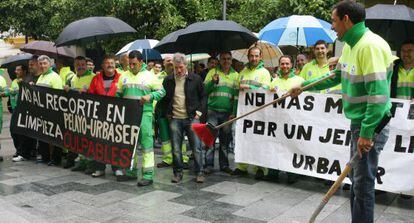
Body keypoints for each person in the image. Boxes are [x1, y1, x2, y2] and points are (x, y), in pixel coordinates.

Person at [289, 1, 395, 222]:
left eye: (334, 20)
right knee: (357, 182)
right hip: (361, 125)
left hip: (371, 126)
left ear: (346, 19)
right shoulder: (350, 45)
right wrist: (304, 87)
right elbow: (335, 76)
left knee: (363, 185)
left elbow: (377, 96)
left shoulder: (369, 46)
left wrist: (366, 133)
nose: (332, 26)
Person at [117, 50, 166, 186]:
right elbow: (118, 95)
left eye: (134, 64)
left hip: (145, 114)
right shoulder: (123, 76)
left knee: (146, 146)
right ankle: (131, 171)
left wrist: (150, 96)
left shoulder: (150, 76)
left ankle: (148, 175)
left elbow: (162, 91)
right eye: (129, 64)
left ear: (141, 62)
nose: (131, 67)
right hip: (128, 115)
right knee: (130, 144)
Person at [161, 53, 206, 183]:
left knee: (196, 146)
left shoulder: (195, 79)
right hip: (175, 117)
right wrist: (167, 113)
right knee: (176, 148)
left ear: (186, 65)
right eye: (176, 68)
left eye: (181, 67)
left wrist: (199, 113)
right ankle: (178, 173)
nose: (178, 70)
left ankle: (199, 172)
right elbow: (164, 98)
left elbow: (203, 96)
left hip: (192, 117)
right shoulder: (168, 80)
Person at [232, 46, 271, 180]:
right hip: (243, 112)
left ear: (260, 57)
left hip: (258, 113)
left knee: (259, 140)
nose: (254, 58)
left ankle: (260, 168)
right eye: (251, 56)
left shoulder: (265, 72)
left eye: (256, 56)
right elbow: (237, 93)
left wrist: (249, 87)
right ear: (248, 57)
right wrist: (234, 111)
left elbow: (266, 90)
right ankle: (242, 166)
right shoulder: (242, 72)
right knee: (242, 139)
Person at [203, 52, 239, 175]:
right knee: (210, 139)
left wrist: (234, 112)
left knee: (225, 141)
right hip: (212, 111)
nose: (226, 61)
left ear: (231, 60)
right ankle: (208, 164)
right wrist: (212, 82)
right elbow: (204, 91)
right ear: (219, 60)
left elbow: (236, 97)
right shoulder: (212, 72)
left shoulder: (236, 75)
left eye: (228, 59)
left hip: (227, 113)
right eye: (223, 59)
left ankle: (224, 165)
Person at [156, 55, 190, 168]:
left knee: (178, 135)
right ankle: (168, 159)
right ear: (163, 63)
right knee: (165, 136)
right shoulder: (157, 76)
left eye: (172, 60)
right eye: (167, 61)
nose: (170, 62)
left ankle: (183, 159)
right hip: (162, 110)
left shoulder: (178, 76)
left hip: (175, 110)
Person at [63, 56, 96, 169]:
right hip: (75, 114)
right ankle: (81, 162)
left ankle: (90, 163)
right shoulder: (72, 79)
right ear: (74, 66)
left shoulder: (93, 77)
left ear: (86, 65)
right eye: (78, 65)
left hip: (89, 114)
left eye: (83, 65)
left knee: (89, 139)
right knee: (78, 138)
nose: (80, 67)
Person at [36, 55, 63, 166]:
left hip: (52, 111)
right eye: (40, 64)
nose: (42, 66)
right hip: (42, 112)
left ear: (50, 64)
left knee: (55, 136)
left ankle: (56, 160)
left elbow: (58, 95)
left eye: (44, 63)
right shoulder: (40, 77)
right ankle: (45, 157)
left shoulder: (55, 77)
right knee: (42, 135)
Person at [10, 65, 35, 162]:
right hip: (15, 108)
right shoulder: (14, 81)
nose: (16, 71)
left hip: (25, 109)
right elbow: (11, 92)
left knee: (22, 131)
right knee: (13, 130)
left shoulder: (28, 79)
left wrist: (23, 85)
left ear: (24, 71)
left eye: (18, 70)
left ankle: (25, 152)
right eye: (16, 69)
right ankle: (19, 150)